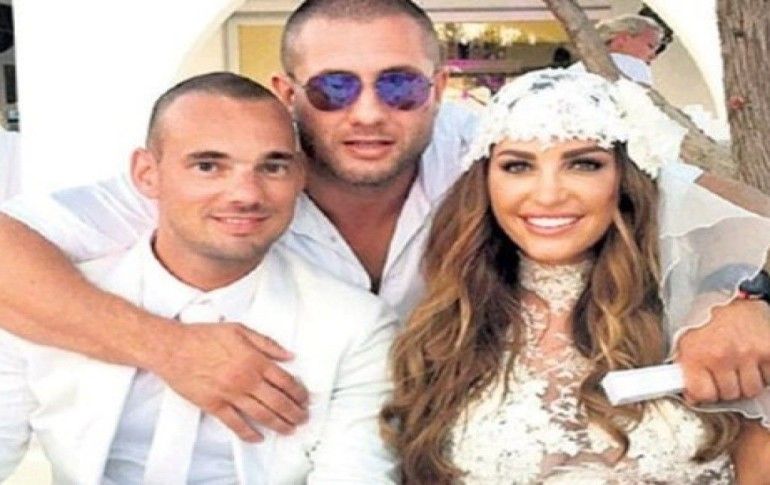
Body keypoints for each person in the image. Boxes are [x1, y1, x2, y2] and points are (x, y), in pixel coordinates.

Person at [1, 0, 769, 440]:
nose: (368, 113)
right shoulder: (238, 179)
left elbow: (729, 214)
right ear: (288, 91)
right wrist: (169, 348)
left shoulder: (501, 153)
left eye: (398, 86)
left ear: (436, 87)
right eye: (334, 87)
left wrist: (743, 301)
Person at [0, 72, 397, 483]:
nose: (246, 194)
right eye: (208, 166)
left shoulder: (354, 326)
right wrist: (167, 348)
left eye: (273, 167)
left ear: (299, 177)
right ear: (147, 173)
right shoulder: (46, 302)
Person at [381, 69, 770, 484]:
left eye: (583, 164)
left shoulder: (708, 318)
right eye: (518, 166)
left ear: (625, 178)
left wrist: (745, 294)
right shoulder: (448, 330)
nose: (548, 194)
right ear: (486, 182)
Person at [572, 14, 665, 86]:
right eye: (651, 46)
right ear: (622, 39)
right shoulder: (636, 67)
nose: (653, 56)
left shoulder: (578, 63)